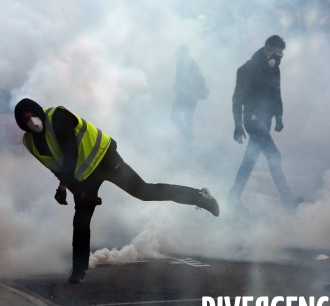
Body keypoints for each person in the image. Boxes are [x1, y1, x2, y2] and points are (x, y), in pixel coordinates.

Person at [14, 98, 219, 283]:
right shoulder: (30, 142)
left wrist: (63, 187)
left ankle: (199, 196)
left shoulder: (57, 116)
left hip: (105, 158)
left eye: (32, 115)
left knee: (145, 192)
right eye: (25, 120)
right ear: (22, 124)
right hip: (83, 177)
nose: (31, 121)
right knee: (81, 221)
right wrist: (79, 191)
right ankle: (78, 270)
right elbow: (56, 167)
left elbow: (71, 152)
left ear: (38, 111)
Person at [228, 35, 302, 210]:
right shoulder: (247, 69)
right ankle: (287, 199)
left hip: (265, 120)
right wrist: (238, 124)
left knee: (249, 160)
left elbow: (276, 93)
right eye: (276, 53)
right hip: (253, 120)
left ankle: (233, 196)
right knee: (274, 156)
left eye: (280, 55)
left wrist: (279, 116)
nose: (278, 58)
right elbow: (237, 100)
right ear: (267, 48)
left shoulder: (273, 69)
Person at [171, 45, 209, 140]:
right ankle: (189, 141)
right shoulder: (191, 61)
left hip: (185, 95)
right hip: (192, 95)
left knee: (174, 116)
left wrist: (179, 88)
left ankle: (187, 136)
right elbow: (199, 78)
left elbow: (184, 78)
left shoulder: (183, 62)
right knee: (188, 118)